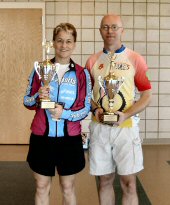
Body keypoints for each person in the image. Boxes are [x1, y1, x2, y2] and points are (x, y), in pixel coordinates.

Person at [85, 14, 152, 205]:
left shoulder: (135, 59)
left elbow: (147, 94)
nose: (110, 31)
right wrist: (96, 109)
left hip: (127, 129)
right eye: (105, 27)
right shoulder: (92, 61)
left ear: (122, 30)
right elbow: (86, 96)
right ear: (100, 31)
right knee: (104, 181)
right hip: (100, 129)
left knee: (129, 183)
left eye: (114, 27)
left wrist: (127, 114)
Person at [24, 23, 91, 205]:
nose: (64, 45)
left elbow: (85, 108)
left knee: (68, 187)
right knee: (41, 186)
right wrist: (39, 96)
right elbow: (26, 101)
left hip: (69, 139)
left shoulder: (81, 74)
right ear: (53, 42)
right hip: (41, 137)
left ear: (74, 44)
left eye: (69, 41)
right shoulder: (40, 69)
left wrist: (65, 114)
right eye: (60, 40)